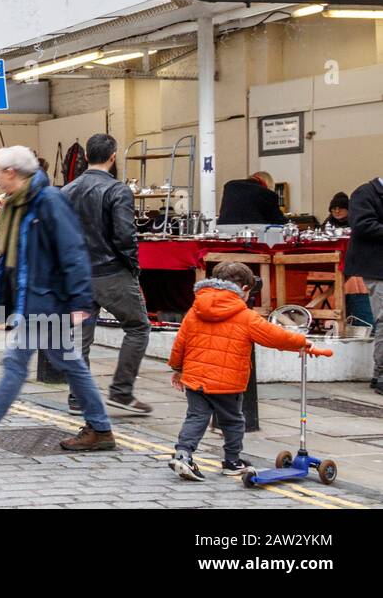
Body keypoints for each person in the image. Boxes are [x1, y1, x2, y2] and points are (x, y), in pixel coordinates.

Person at [0, 146, 116, 453]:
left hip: (49, 300)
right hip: (32, 299)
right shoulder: (17, 205)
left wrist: (79, 301)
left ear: (11, 172)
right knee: (68, 363)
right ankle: (100, 428)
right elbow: (10, 262)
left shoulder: (48, 200)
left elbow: (72, 249)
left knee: (17, 363)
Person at [167, 262, 317, 479]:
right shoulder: (245, 315)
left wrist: (177, 368)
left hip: (195, 378)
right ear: (245, 290)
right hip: (227, 383)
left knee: (196, 417)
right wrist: (303, 342)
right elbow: (275, 336)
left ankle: (183, 454)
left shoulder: (195, 309)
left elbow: (180, 342)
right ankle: (232, 461)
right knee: (233, 421)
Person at [61, 134, 153, 416]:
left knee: (80, 338)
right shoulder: (118, 190)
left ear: (86, 156)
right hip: (111, 271)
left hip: (77, 274)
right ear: (113, 157)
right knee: (137, 327)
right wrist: (133, 266)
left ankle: (78, 398)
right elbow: (125, 235)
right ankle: (121, 391)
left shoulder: (66, 191)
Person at [344, 176, 383, 395]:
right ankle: (381, 373)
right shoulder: (365, 193)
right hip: (376, 267)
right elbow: (362, 225)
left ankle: (379, 374)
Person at [216, 171, 285, 225]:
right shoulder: (267, 193)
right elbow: (278, 220)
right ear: (269, 183)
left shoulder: (230, 185)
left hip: (224, 227)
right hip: (253, 231)